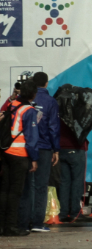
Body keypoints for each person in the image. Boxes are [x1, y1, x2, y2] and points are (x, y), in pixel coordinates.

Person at [19, 73, 59, 234]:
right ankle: (37, 222)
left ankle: (24, 221)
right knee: (41, 186)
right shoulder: (50, 101)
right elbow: (53, 128)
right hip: (43, 148)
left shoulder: (23, 100)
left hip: (25, 147)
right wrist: (56, 149)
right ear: (46, 83)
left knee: (28, 186)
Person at [1, 84, 38, 237]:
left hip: (6, 152)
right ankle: (11, 226)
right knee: (16, 192)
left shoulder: (13, 105)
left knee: (4, 190)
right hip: (19, 154)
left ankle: (2, 226)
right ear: (33, 95)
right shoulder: (29, 111)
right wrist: (34, 158)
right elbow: (31, 137)